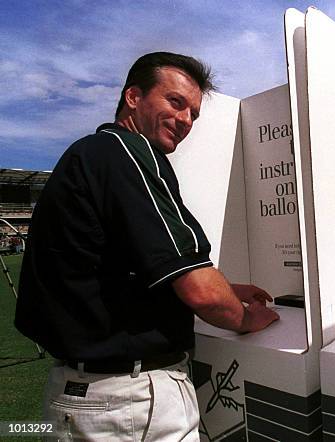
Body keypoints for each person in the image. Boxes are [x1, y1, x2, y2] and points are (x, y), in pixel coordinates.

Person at [14, 52, 279, 441]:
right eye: (175, 102)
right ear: (133, 97)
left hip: (78, 394)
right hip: (129, 402)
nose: (186, 120)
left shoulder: (88, 155)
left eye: (193, 113)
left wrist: (229, 289)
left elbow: (121, 272)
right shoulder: (126, 153)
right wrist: (242, 318)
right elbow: (200, 291)